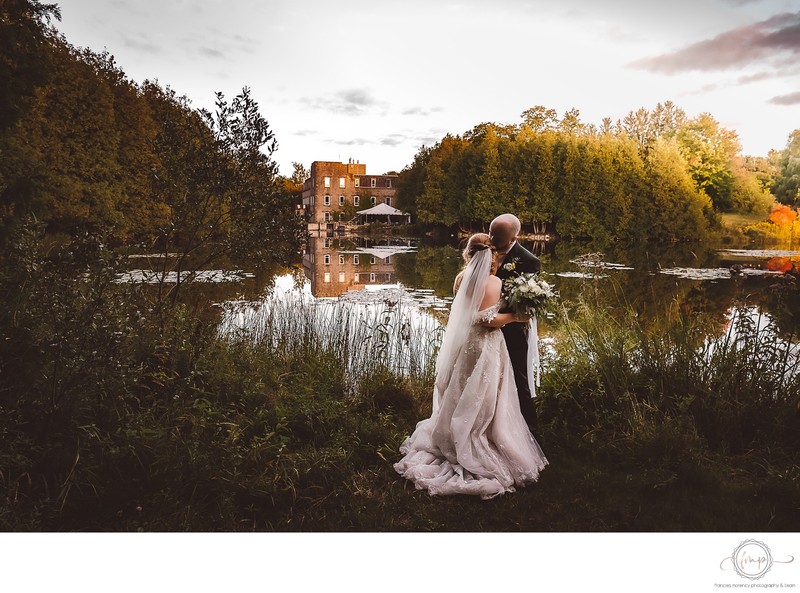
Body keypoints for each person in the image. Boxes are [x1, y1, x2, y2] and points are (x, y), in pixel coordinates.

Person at [394, 233, 547, 499]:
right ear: (491, 255)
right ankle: (482, 437)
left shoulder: (459, 279)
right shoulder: (495, 282)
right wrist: (515, 316)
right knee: (486, 394)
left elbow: (467, 314)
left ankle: (456, 432)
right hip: (487, 344)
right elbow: (488, 320)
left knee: (463, 387)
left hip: (467, 344)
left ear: (468, 253)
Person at [490, 213, 542, 438]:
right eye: (491, 233)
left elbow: (528, 303)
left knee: (519, 378)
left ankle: (530, 433)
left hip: (514, 329)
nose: (492, 239)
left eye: (498, 236)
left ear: (513, 238)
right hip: (486, 329)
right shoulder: (484, 250)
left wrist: (505, 317)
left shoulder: (529, 261)